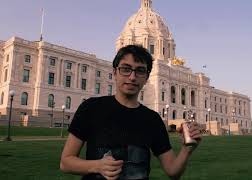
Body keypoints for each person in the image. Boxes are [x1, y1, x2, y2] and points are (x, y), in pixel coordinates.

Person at [60, 45, 202, 180]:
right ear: (115, 72)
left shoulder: (153, 120)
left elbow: (173, 172)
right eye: (126, 69)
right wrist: (97, 166)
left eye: (140, 71)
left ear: (146, 78)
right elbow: (65, 163)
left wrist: (187, 149)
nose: (132, 77)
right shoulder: (91, 108)